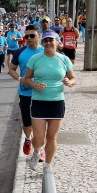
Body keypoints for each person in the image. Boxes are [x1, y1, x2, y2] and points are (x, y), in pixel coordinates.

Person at [21, 30, 77, 169]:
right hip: (39, 101)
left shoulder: (64, 59)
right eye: (45, 40)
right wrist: (34, 84)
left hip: (57, 101)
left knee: (52, 137)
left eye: (51, 40)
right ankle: (36, 152)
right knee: (39, 139)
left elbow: (73, 78)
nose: (48, 43)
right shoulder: (35, 59)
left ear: (57, 42)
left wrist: (69, 83)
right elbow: (25, 79)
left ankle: (47, 165)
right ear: (43, 42)